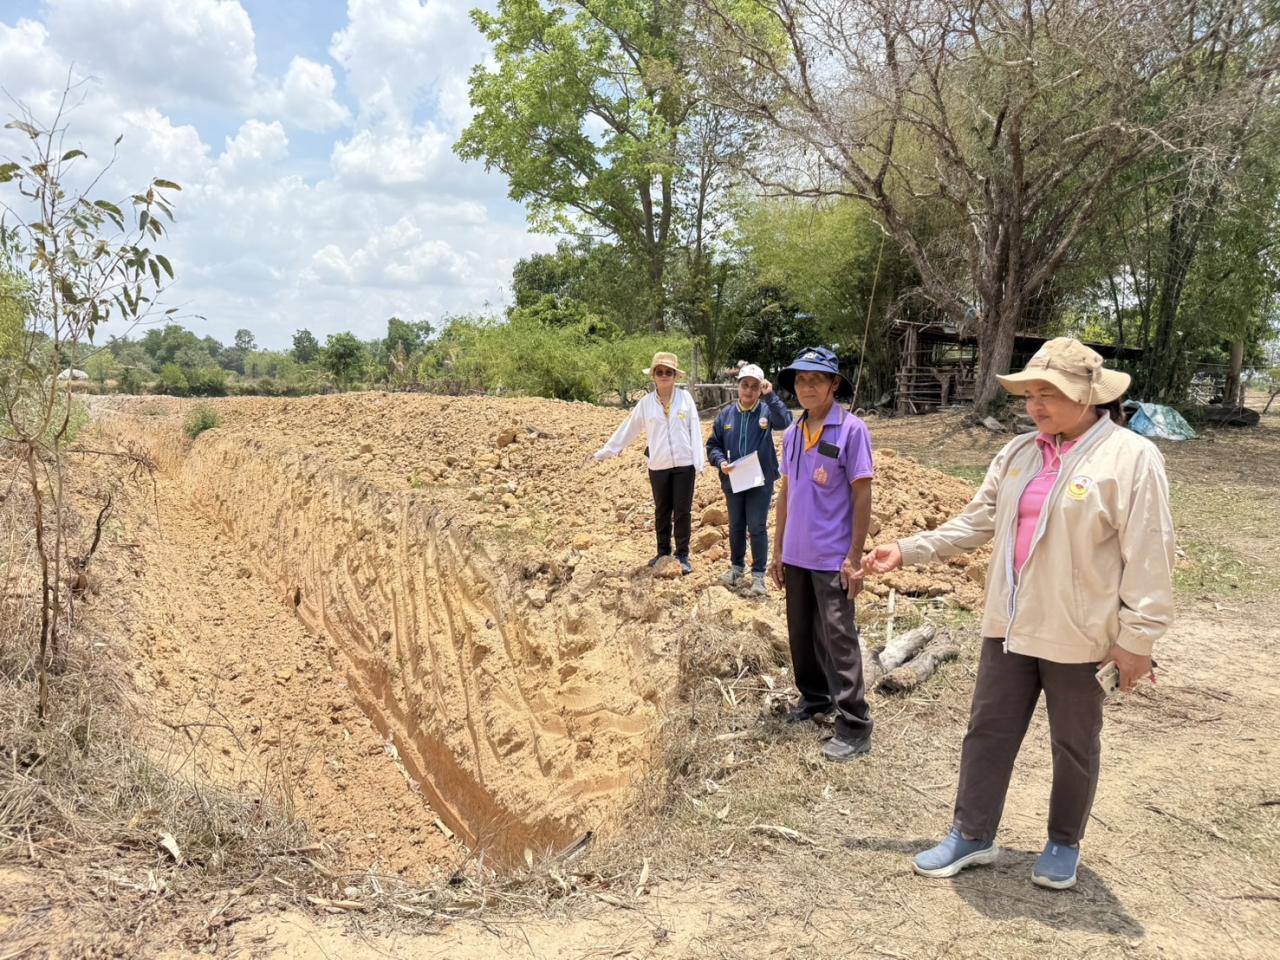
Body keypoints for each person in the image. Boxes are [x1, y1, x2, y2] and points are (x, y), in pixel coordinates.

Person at [863, 337, 1175, 890]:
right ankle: (972, 833)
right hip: (1009, 625)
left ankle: (1062, 841)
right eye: (1029, 394)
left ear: (1087, 397)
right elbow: (977, 521)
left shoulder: (1129, 457)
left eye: (1048, 394)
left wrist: (1139, 638)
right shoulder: (1020, 453)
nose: (1035, 406)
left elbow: (1150, 550)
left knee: (1074, 742)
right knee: (988, 730)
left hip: (1079, 632)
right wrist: (908, 549)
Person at [769, 347, 875, 762]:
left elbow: (862, 494)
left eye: (815, 380)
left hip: (833, 557)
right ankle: (815, 699)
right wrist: (777, 549)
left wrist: (855, 556)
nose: (806, 387)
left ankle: (854, 723)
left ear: (834, 384)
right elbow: (786, 493)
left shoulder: (851, 430)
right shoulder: (793, 433)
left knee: (838, 638)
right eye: (800, 380)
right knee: (801, 634)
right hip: (796, 554)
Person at [594, 351, 705, 574]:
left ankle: (682, 555)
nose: (664, 375)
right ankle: (663, 551)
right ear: (653, 376)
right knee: (662, 510)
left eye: (668, 372)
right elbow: (629, 428)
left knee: (682, 511)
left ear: (675, 376)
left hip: (684, 465)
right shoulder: (645, 404)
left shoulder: (685, 399)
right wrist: (606, 451)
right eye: (660, 372)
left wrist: (698, 461)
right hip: (658, 465)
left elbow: (695, 430)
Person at [706, 363, 792, 596]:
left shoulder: (766, 412)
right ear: (738, 387)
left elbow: (785, 421)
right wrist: (720, 461)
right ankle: (736, 569)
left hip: (760, 481)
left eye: (755, 387)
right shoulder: (726, 416)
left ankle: (758, 577)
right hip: (733, 480)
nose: (749, 391)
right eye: (745, 385)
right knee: (735, 525)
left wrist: (771, 395)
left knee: (757, 526)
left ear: (760, 389)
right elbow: (713, 445)